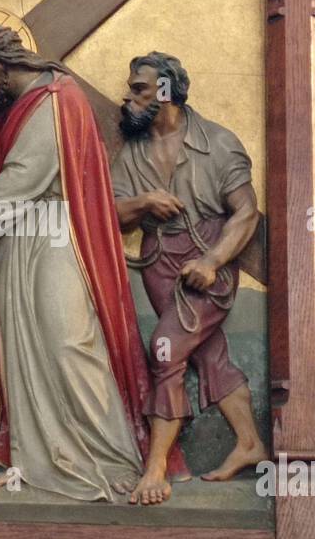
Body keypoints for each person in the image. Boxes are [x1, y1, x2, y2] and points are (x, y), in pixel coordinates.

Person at [0, 22, 188, 505]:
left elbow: (26, 175)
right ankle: (37, 465)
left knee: (69, 341)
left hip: (55, 238)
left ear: (1, 57)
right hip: (18, 243)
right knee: (26, 354)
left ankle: (110, 459)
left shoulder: (56, 96)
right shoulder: (22, 107)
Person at [112, 50, 267, 497]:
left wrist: (213, 262)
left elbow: (246, 213)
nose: (128, 97)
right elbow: (114, 211)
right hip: (158, 265)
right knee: (209, 354)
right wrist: (144, 203)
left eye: (138, 89)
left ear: (165, 91)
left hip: (205, 260)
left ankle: (155, 468)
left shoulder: (218, 143)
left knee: (165, 351)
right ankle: (250, 442)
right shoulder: (133, 151)